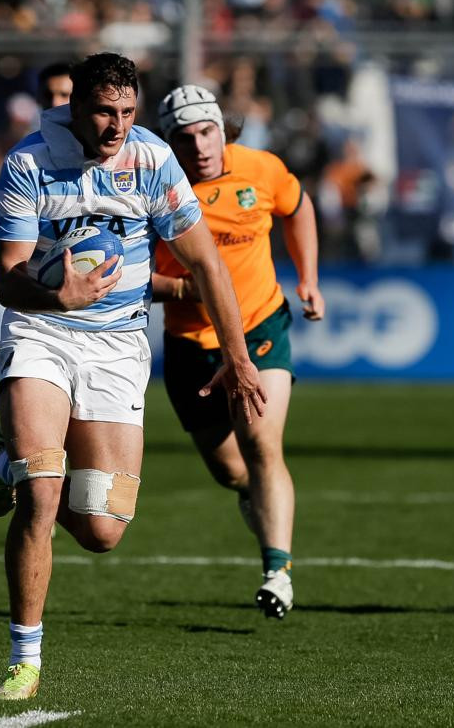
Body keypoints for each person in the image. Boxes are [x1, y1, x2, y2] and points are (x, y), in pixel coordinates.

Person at [0, 53, 265, 700]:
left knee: (103, 529)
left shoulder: (151, 159)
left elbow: (207, 263)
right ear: (76, 106)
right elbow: (8, 277)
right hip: (42, 333)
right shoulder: (29, 162)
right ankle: (25, 657)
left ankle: (4, 462)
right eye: (105, 112)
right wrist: (61, 298)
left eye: (128, 113)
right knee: (42, 491)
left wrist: (238, 357)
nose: (117, 127)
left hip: (116, 345)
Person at [151, 84, 326, 620]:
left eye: (207, 131)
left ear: (223, 128)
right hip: (192, 346)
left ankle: (278, 570)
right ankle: (257, 496)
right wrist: (183, 289)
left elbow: (298, 208)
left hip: (259, 327)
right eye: (185, 137)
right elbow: (125, 276)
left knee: (260, 441)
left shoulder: (262, 169)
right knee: (232, 471)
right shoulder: (149, 190)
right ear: (169, 143)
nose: (200, 146)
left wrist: (309, 278)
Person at [0, 63, 75, 267]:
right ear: (39, 99)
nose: (56, 102)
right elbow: (11, 197)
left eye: (65, 95)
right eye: (49, 95)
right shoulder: (24, 155)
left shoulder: (109, 148)